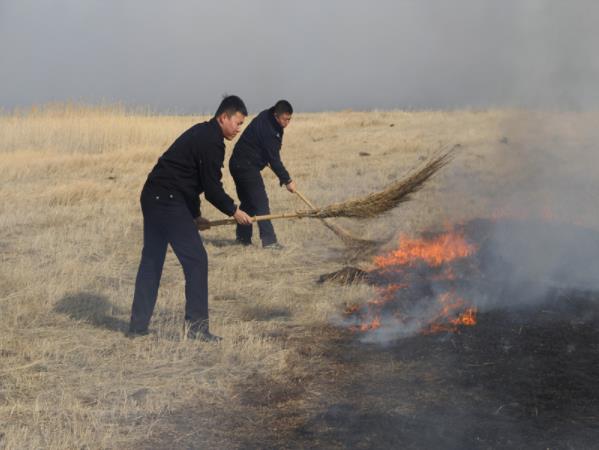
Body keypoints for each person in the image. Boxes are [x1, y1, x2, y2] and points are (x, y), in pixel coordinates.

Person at [128, 95, 252, 341]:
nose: (239, 128)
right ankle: (197, 329)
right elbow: (211, 187)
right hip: (167, 200)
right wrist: (235, 210)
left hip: (154, 195)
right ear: (223, 117)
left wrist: (195, 216)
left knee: (152, 260)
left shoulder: (204, 133)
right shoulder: (211, 141)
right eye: (237, 123)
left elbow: (191, 182)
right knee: (196, 260)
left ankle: (137, 327)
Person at [228, 100, 296, 249]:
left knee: (248, 203)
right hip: (245, 165)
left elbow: (269, 153)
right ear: (276, 115)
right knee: (261, 201)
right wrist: (287, 180)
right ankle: (270, 241)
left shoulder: (269, 116)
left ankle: (242, 238)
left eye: (289, 119)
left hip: (238, 163)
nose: (287, 123)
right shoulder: (269, 130)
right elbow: (274, 159)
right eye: (285, 119)